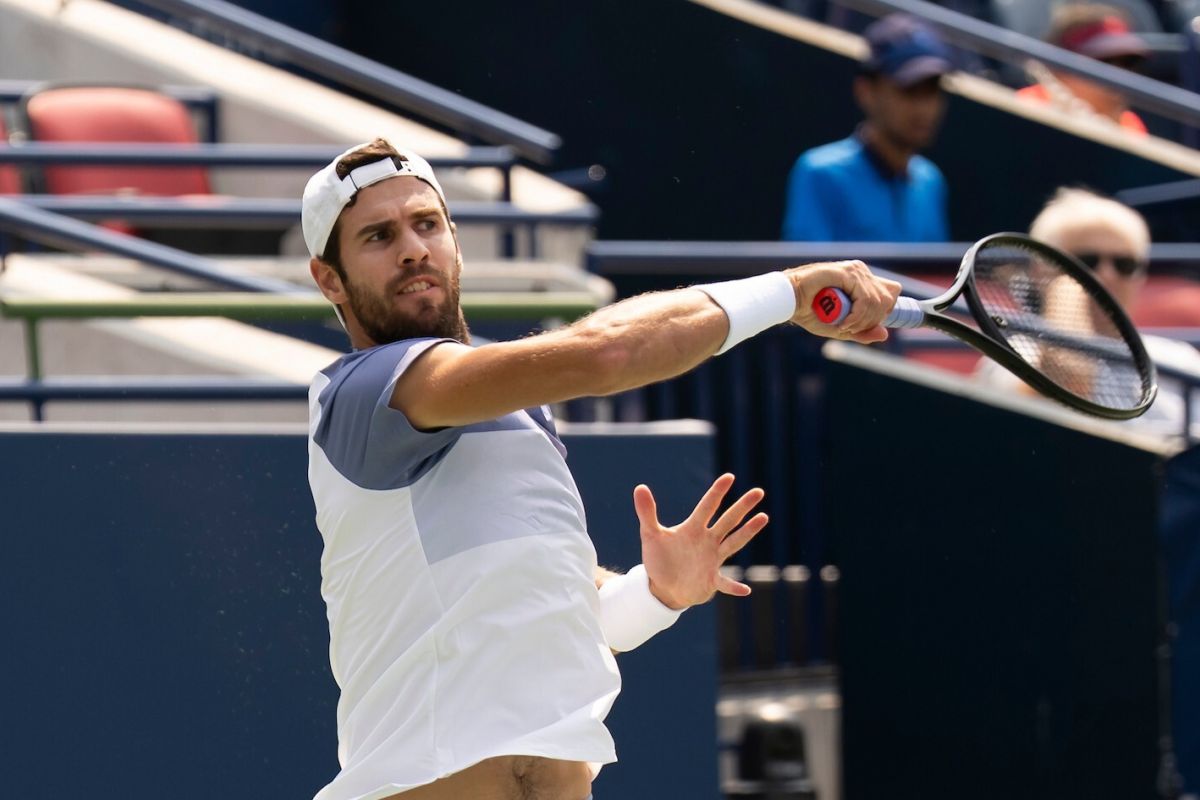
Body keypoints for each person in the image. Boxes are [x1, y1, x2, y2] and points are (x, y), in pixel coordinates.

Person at [301, 138, 900, 800]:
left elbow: (570, 620)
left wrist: (656, 593)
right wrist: (786, 293)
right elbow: (608, 354)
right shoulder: (364, 390)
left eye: (427, 224)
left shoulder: (523, 416)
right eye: (379, 236)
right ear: (330, 279)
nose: (414, 248)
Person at [975, 187, 1200, 439]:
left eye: (1125, 264)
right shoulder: (1009, 353)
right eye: (1086, 261)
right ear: (1041, 268)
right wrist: (1065, 284)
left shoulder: (1181, 359)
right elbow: (1070, 379)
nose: (1107, 275)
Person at [781, 13, 952, 242]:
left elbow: (932, 278)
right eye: (909, 90)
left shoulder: (932, 182)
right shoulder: (820, 173)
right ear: (866, 92)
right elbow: (809, 276)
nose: (925, 108)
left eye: (932, 91)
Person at [1016, 4, 1150, 135]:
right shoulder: (1028, 110)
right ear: (1060, 67)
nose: (1120, 74)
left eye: (1127, 62)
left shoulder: (1129, 125)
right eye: (1104, 62)